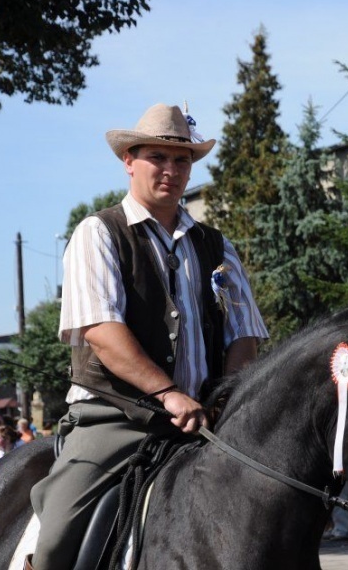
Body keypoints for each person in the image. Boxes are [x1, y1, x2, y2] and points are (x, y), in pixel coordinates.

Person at [26, 103, 269, 570]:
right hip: (115, 419)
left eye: (182, 161)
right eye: (158, 157)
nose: (171, 170)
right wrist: (168, 393)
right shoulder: (98, 233)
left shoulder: (217, 246)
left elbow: (244, 337)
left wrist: (225, 397)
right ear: (129, 161)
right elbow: (102, 331)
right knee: (59, 535)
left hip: (208, 420)